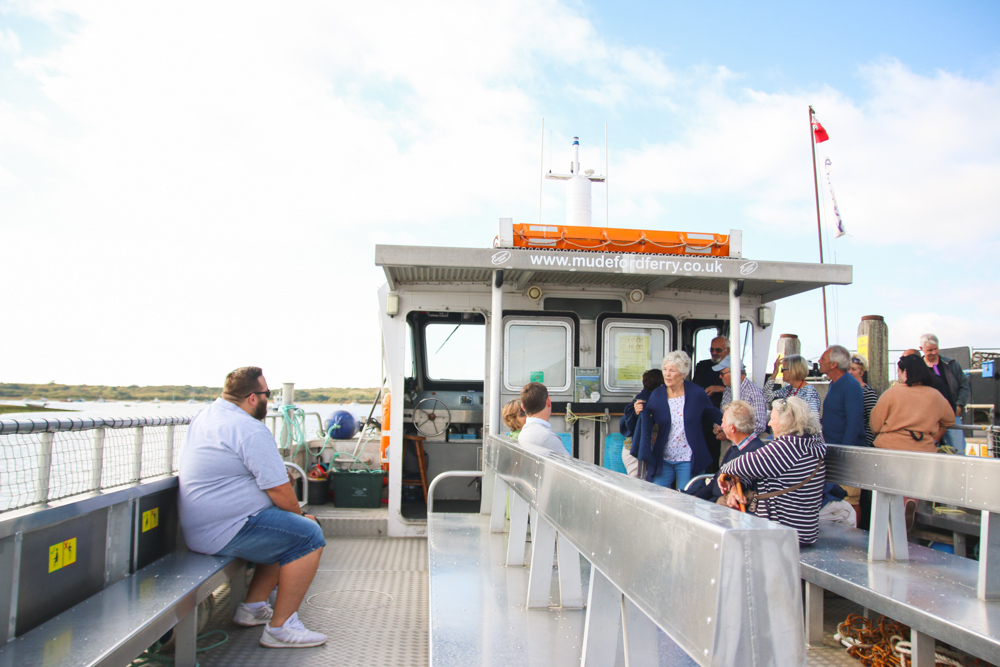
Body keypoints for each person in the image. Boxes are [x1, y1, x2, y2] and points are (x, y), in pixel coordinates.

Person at [178, 367, 327, 648]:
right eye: (266, 395)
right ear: (251, 398)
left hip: (207, 527)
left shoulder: (208, 415)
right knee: (308, 535)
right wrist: (303, 517)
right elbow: (279, 489)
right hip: (225, 529)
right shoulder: (248, 428)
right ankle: (281, 629)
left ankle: (253, 607)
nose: (268, 401)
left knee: (287, 529)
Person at [719, 396, 827, 546]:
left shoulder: (787, 447)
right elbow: (761, 471)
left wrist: (724, 472)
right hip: (803, 530)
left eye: (773, 419)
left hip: (783, 532)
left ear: (786, 422)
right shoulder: (808, 444)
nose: (769, 423)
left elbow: (742, 464)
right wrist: (740, 486)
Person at [631, 351, 722, 489]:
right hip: (664, 458)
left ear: (682, 375)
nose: (667, 374)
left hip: (688, 458)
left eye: (672, 371)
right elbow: (647, 420)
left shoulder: (697, 393)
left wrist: (730, 425)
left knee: (689, 499)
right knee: (657, 496)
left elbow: (713, 414)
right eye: (665, 369)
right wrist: (638, 412)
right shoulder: (657, 394)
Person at [683, 400, 765, 503]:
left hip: (725, 507)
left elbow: (742, 485)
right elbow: (715, 481)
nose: (721, 426)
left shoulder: (756, 451)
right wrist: (697, 497)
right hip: (714, 502)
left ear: (732, 428)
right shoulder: (736, 447)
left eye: (723, 422)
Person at [870, 354, 955, 452]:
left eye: (898, 371)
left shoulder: (890, 394)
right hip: (924, 448)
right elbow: (949, 420)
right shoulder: (936, 396)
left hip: (888, 447)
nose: (898, 375)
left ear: (905, 372)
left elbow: (875, 425)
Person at [920, 333, 970, 455]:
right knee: (929, 451)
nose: (933, 352)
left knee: (957, 450)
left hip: (952, 416)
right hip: (929, 419)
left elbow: (964, 385)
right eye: (929, 350)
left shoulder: (950, 364)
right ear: (921, 349)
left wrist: (958, 406)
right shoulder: (919, 367)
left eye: (936, 349)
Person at [692, 336, 729, 473]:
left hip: (724, 418)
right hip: (704, 417)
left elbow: (740, 387)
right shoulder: (702, 366)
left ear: (728, 350)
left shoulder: (735, 367)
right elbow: (695, 387)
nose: (714, 353)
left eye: (718, 350)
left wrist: (720, 388)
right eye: (712, 349)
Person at [818, 345, 866, 447]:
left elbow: (854, 424)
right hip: (832, 448)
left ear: (834, 364)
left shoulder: (851, 386)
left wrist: (844, 452)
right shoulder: (833, 384)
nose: (819, 361)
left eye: (823, 359)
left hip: (845, 453)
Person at [620, 369, 664, 478]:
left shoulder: (637, 401)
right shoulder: (649, 404)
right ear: (662, 385)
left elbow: (625, 426)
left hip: (629, 450)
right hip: (637, 453)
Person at [715, 356, 767, 438]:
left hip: (747, 445)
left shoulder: (754, 392)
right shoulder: (728, 390)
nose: (720, 377)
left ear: (735, 373)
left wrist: (733, 434)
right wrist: (717, 426)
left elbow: (760, 426)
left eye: (722, 374)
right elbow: (723, 415)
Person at [517, 382, 567, 454]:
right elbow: (567, 463)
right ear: (548, 401)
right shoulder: (548, 437)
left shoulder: (523, 433)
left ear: (523, 407)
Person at [848, 353, 878, 447]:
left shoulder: (868, 392)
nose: (850, 372)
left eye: (854, 369)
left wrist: (867, 444)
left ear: (861, 372)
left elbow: (872, 421)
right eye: (848, 369)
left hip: (861, 443)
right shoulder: (844, 390)